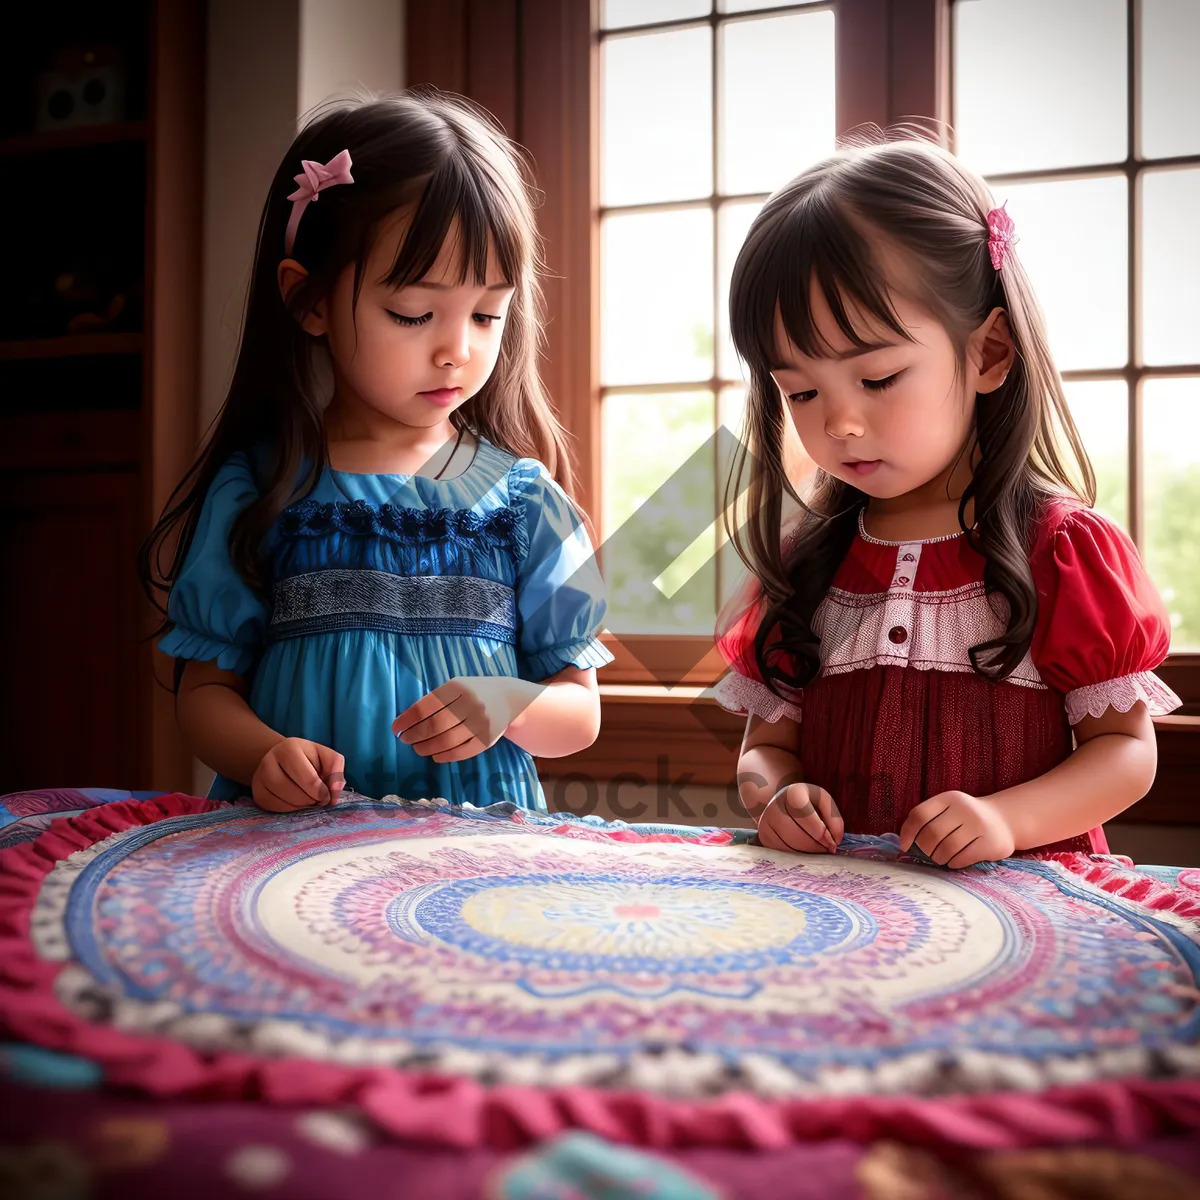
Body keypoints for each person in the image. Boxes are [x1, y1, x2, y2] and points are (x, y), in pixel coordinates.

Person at [138, 88, 611, 813]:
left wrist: (512, 702)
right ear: (310, 302)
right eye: (414, 313)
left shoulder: (525, 501)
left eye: (487, 314)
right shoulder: (263, 490)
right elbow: (203, 694)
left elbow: (579, 713)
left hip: (474, 854)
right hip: (297, 854)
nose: (459, 349)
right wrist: (265, 754)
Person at [714, 133, 1180, 868]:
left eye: (876, 378)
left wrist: (1005, 820)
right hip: (852, 919)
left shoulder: (1060, 548)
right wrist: (776, 794)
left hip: (1028, 911)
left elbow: (1125, 751)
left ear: (989, 352)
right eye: (801, 391)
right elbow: (765, 748)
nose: (839, 423)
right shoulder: (808, 563)